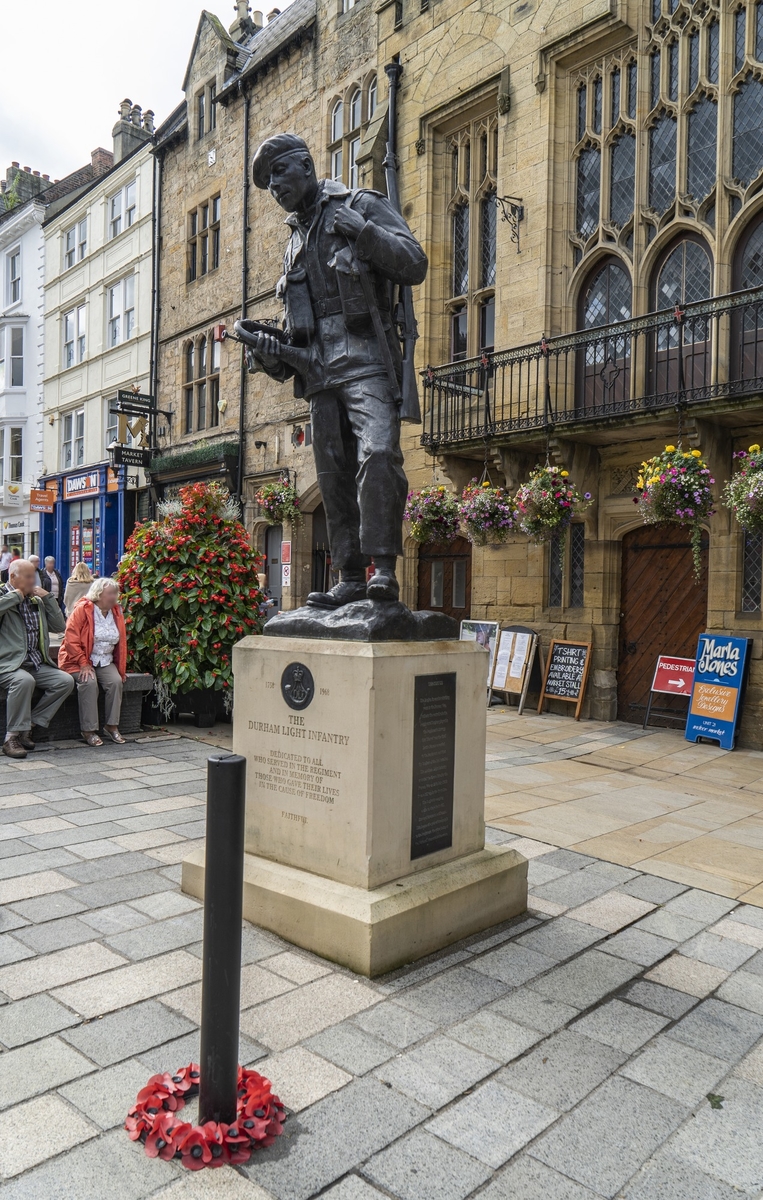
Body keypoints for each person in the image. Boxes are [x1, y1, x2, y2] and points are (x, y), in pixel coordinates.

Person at [244, 133, 427, 608]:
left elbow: (414, 263)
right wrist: (268, 351)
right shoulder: (292, 245)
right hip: (317, 371)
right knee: (332, 475)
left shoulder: (361, 204)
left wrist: (364, 234)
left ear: (306, 165)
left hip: (366, 358)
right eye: (267, 184)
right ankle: (349, 574)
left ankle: (383, 570)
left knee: (380, 454)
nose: (274, 188)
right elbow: (294, 331)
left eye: (279, 174)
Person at [0, 559, 74, 759]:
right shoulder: (3, 595)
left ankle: (28, 725)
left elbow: (59, 626)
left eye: (35, 576)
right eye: (28, 577)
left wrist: (48, 598)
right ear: (13, 577)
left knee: (65, 681)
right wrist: (15, 596)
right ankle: (10, 738)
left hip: (34, 663)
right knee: (24, 680)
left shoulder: (36, 600)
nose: (34, 581)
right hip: (7, 664)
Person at [59, 577, 127, 747]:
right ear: (98, 595)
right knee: (89, 683)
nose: (114, 597)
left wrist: (121, 668)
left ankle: (111, 726)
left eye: (115, 593)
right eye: (110, 593)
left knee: (116, 682)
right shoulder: (83, 609)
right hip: (77, 660)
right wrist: (83, 662)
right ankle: (88, 730)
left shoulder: (116, 612)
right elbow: (70, 639)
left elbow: (121, 643)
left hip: (104, 660)